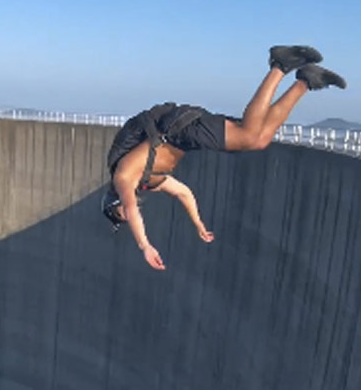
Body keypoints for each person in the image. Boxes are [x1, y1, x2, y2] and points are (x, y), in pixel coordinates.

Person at [101, 45, 345, 270]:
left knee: (249, 136)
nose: (128, 214)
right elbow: (183, 193)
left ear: (114, 203)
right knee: (259, 140)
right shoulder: (146, 181)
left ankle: (280, 65)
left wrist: (144, 245)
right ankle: (306, 81)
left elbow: (132, 209)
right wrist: (198, 224)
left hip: (179, 129)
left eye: (119, 214)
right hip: (185, 134)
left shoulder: (124, 176)